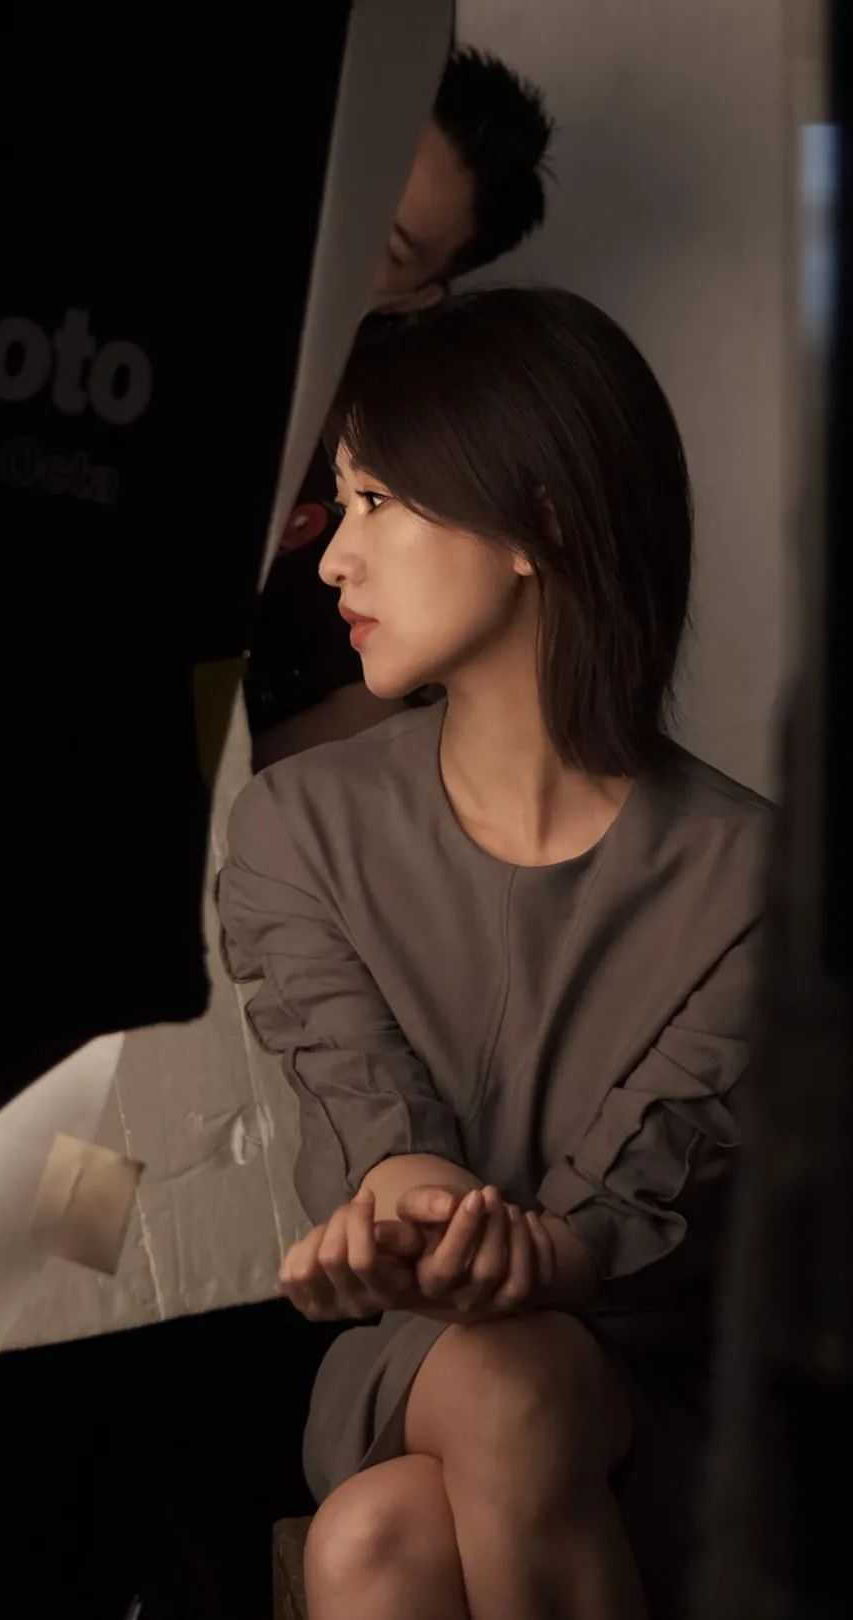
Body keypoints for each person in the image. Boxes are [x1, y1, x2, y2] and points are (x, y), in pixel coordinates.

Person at [218, 289, 770, 1620]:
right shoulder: (298, 825)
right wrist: (410, 1217)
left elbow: (624, 1212)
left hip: (652, 1387)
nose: (334, 561)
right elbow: (373, 1110)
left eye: (375, 502)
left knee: (379, 1540)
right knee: (494, 1383)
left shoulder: (760, 880)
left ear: (542, 520)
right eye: (338, 505)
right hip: (415, 1365)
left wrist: (518, 1254)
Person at [245, 47, 554, 770]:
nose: (331, 228)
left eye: (383, 243)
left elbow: (371, 701)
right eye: (343, 181)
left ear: (415, 294)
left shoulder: (386, 448)